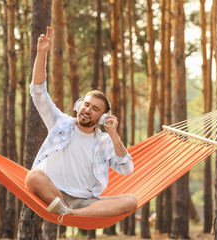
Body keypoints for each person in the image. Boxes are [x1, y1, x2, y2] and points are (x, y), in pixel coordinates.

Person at [25, 26, 137, 220]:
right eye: (87, 104)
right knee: (33, 176)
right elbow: (38, 92)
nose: (88, 110)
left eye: (95, 109)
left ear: (102, 117)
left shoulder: (104, 141)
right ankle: (64, 209)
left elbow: (126, 168)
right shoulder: (60, 122)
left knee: (131, 201)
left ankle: (70, 214)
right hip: (53, 192)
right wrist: (42, 53)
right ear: (79, 105)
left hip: (86, 202)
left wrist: (113, 134)